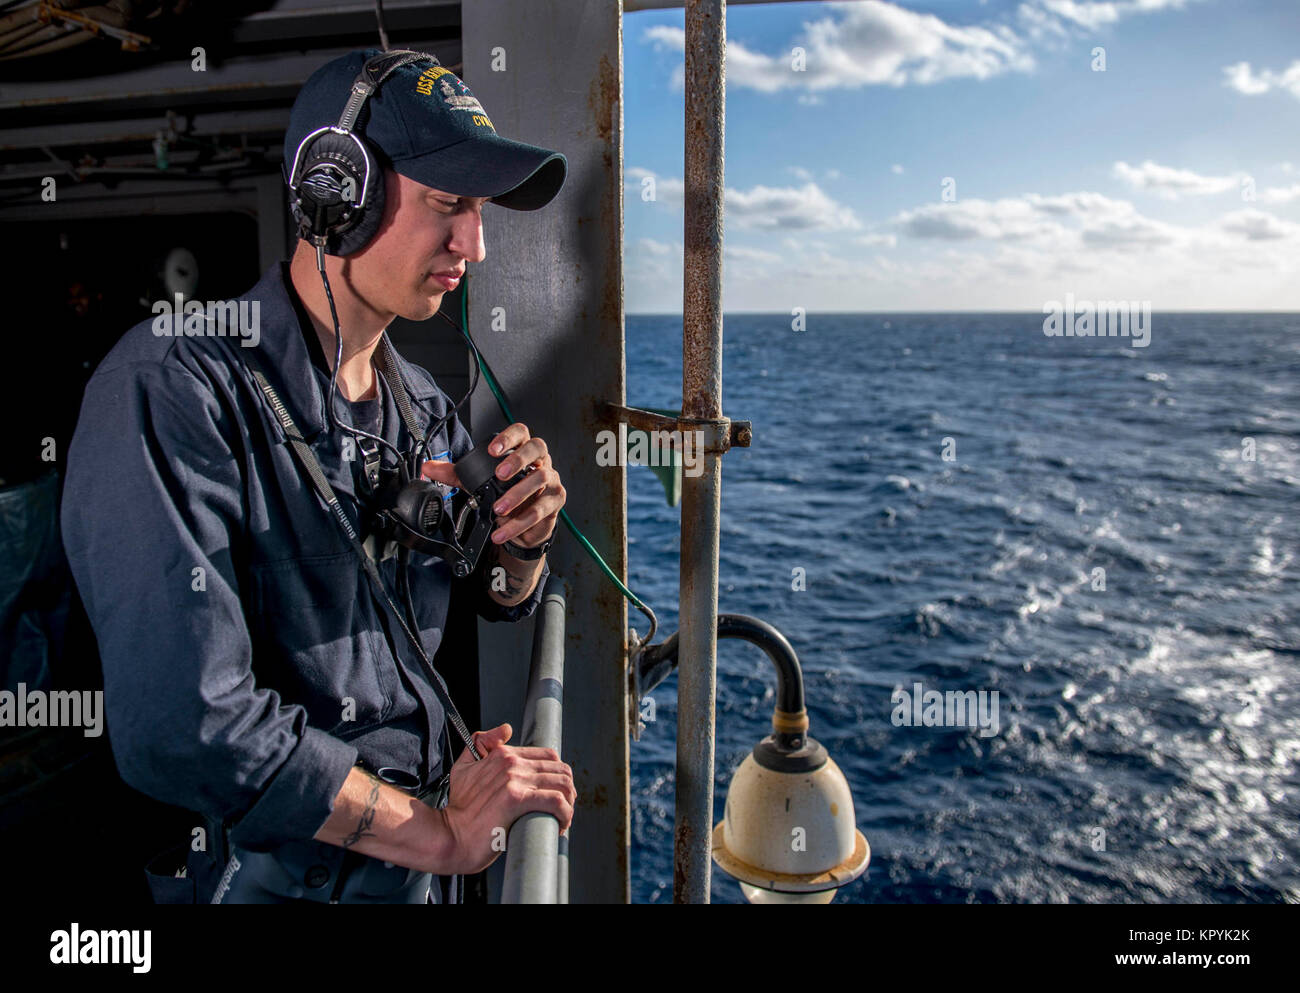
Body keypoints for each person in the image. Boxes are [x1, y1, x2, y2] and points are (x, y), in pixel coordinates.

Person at [60, 48, 576, 904]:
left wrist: (527, 539)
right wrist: (437, 833)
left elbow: (494, 590)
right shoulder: (173, 387)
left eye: (481, 212)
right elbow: (188, 726)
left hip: (422, 857)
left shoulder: (422, 409)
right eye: (449, 203)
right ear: (337, 193)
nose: (473, 244)